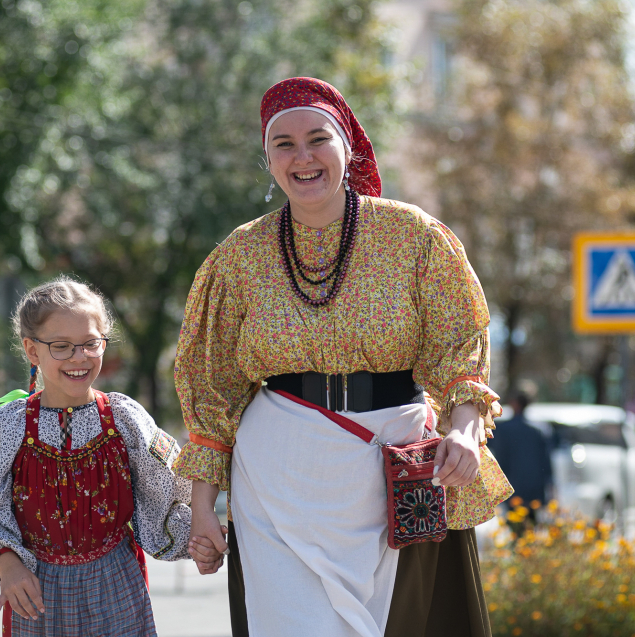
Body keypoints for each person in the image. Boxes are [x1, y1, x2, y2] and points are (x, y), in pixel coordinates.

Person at [173, 77, 512, 637]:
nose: (302, 157)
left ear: (348, 146)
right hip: (274, 478)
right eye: (283, 144)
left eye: (318, 139)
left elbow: (461, 348)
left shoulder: (414, 236)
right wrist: (203, 507)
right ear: (267, 160)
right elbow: (213, 389)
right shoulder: (238, 256)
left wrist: (465, 431)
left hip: (395, 469)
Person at [0, 276, 192, 636]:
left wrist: (202, 534)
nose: (79, 357)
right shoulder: (9, 425)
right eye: (61, 346)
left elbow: (173, 487)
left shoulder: (124, 418)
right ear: (32, 350)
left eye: (91, 344)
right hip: (36, 592)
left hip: (117, 587)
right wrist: (7, 562)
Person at [488, 391, 553, 523]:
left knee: (513, 523)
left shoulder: (503, 429)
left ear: (514, 404)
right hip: (534, 485)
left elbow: (499, 458)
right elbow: (546, 462)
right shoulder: (539, 430)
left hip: (512, 483)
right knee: (532, 524)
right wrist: (549, 484)